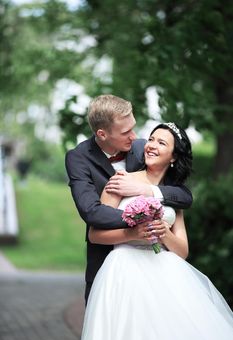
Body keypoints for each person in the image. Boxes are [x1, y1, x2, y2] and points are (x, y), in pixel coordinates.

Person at [80, 123, 233, 340]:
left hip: (166, 273)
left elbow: (182, 251)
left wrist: (164, 233)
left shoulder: (174, 194)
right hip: (124, 271)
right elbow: (95, 235)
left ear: (173, 157)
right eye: (151, 139)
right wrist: (131, 233)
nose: (151, 145)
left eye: (161, 143)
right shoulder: (121, 180)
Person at [65, 94, 193, 303]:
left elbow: (183, 196)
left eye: (134, 127)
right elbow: (91, 212)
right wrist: (140, 217)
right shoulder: (78, 158)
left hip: (159, 270)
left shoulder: (143, 148)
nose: (136, 137)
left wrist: (147, 191)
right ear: (102, 134)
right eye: (126, 132)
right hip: (110, 264)